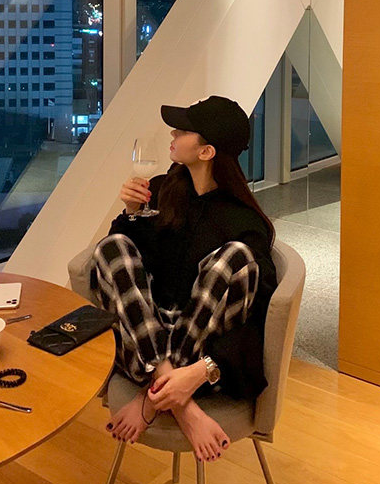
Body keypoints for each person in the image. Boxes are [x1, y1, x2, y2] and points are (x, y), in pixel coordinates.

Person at [91, 95, 277, 463]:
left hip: (201, 360)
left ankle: (153, 396)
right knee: (112, 245)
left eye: (183, 131)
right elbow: (128, 265)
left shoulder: (244, 222)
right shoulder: (163, 190)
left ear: (207, 152)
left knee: (234, 259)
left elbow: (255, 317)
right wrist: (131, 213)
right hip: (145, 338)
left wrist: (198, 372)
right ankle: (181, 407)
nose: (172, 135)